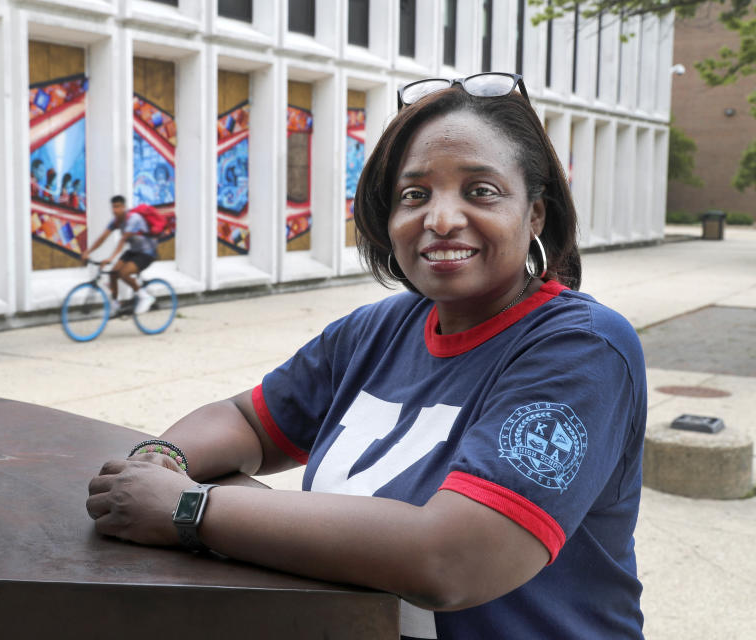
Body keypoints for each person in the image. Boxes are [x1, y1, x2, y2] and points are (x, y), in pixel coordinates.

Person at [86, 73, 647, 639]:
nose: (441, 219)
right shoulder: (379, 327)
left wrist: (189, 510)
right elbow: (249, 421)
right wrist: (163, 456)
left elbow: (455, 560)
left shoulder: (583, 349)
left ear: (535, 216)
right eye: (415, 194)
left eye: (481, 191)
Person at [81, 195, 157, 314]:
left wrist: (110, 258)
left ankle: (145, 297)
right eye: (113, 207)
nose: (114, 210)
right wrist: (88, 252)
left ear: (123, 207)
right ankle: (115, 305)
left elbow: (123, 239)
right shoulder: (116, 221)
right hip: (134, 251)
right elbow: (103, 237)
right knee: (113, 273)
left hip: (147, 252)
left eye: (117, 207)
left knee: (124, 273)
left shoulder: (133, 219)